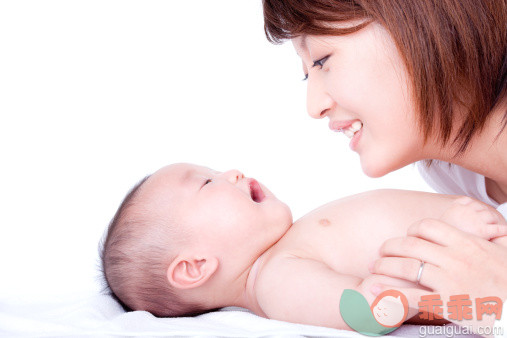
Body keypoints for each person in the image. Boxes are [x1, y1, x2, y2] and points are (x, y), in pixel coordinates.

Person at [262, 0, 507, 334]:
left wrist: (499, 303)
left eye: (321, 60)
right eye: (307, 74)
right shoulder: (452, 173)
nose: (314, 106)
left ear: (420, 16)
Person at [100, 163, 507, 332]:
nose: (231, 172)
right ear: (194, 267)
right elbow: (368, 312)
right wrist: (448, 236)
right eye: (207, 184)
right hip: (481, 263)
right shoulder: (277, 282)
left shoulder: (285, 252)